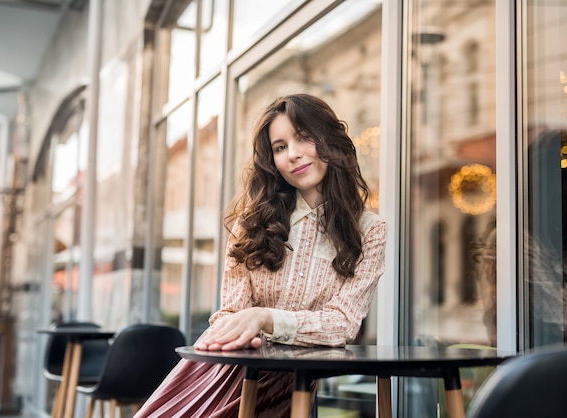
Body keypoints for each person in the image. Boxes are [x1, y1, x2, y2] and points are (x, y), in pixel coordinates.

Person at [134, 94, 387, 417]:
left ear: (330, 139)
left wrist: (265, 318)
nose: (293, 155)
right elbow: (231, 312)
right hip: (221, 372)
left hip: (290, 384)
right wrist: (239, 324)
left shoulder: (370, 230)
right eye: (280, 147)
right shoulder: (251, 223)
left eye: (304, 137)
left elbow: (342, 325)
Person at [473, 129, 567, 346]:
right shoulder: (516, 242)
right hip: (537, 372)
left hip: (566, 368)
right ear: (562, 183)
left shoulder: (566, 244)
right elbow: (551, 327)